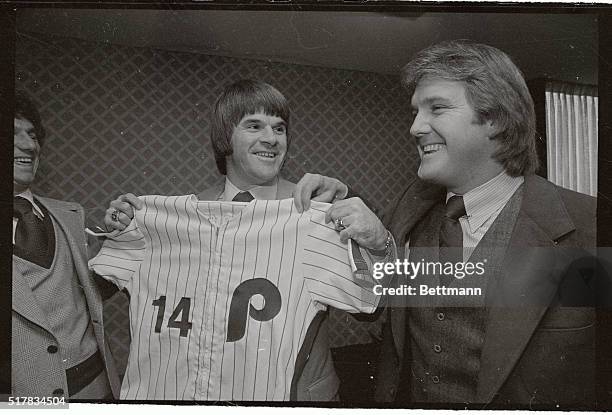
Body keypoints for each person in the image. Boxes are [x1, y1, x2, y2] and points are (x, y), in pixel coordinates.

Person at [295, 40, 597, 408]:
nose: (415, 127)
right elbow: (372, 303)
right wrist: (344, 211)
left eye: (436, 108)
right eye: (415, 112)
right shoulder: (411, 207)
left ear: (496, 119)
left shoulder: (590, 226)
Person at [95, 79, 391, 401]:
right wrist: (122, 229)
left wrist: (380, 243)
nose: (271, 138)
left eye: (279, 129)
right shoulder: (175, 216)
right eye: (254, 125)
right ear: (225, 138)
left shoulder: (313, 212)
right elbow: (101, 290)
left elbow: (372, 306)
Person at [12, 91, 121, 399]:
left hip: (97, 386)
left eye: (32, 135)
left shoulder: (70, 215)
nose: (29, 145)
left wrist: (120, 246)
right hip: (24, 399)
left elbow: (92, 290)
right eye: (11, 134)